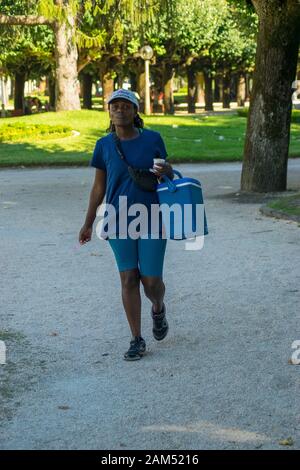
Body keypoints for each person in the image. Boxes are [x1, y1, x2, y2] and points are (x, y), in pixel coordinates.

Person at [79, 88, 174, 361]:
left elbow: (166, 174)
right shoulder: (104, 145)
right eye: (114, 106)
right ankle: (136, 338)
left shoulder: (153, 139)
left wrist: (166, 171)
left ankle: (158, 307)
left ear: (135, 111)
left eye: (125, 106)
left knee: (151, 281)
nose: (119, 110)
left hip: (152, 217)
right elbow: (98, 188)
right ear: (109, 112)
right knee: (128, 278)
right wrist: (88, 223)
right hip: (118, 219)